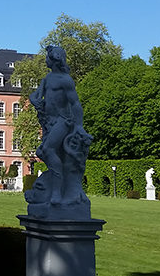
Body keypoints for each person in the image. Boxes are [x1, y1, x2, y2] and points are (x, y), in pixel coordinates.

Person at [28, 46, 92, 206]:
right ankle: (58, 182)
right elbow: (35, 94)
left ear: (56, 59)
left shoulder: (65, 80)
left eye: (47, 57)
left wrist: (78, 126)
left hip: (63, 121)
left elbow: (75, 104)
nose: (45, 60)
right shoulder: (48, 78)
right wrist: (34, 100)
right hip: (49, 122)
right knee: (41, 151)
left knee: (48, 149)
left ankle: (57, 192)